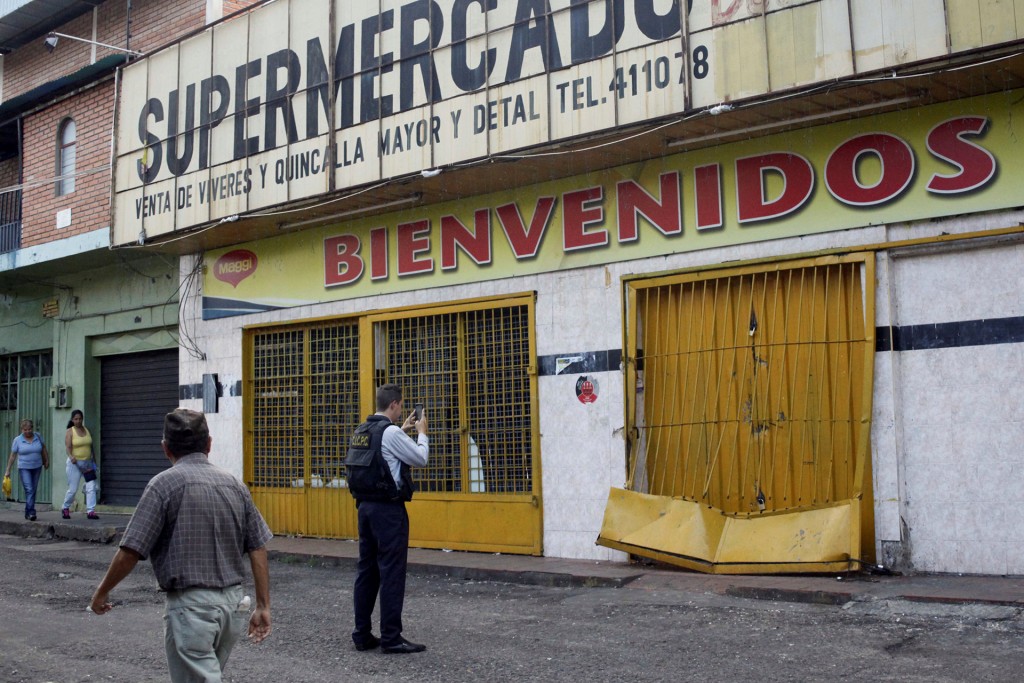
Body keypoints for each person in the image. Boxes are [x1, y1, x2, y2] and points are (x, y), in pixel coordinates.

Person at [89, 408, 273, 682]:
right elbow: (257, 547)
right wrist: (262, 605)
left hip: (192, 608)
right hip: (234, 606)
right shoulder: (235, 485)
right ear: (209, 444)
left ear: (165, 449)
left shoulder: (163, 485)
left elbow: (130, 551)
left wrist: (101, 593)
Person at [347, 383, 429, 654]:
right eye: (401, 405)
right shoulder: (390, 432)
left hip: (365, 508)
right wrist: (421, 433)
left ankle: (361, 634)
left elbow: (381, 454)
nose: (402, 410)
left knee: (367, 571)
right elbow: (420, 459)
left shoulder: (363, 430)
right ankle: (391, 638)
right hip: (388, 512)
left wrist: (401, 430)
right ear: (393, 404)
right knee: (392, 571)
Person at [4, 418, 49, 521]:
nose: (27, 431)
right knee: (29, 489)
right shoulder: (17, 440)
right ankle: (31, 512)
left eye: (29, 429)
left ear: (32, 428)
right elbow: (12, 456)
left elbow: (43, 448)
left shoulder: (38, 436)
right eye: (25, 430)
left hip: (37, 466)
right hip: (24, 468)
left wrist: (46, 460)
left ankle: (28, 511)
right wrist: (8, 470)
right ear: (21, 430)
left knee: (33, 489)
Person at [62, 409, 99, 519]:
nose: (78, 421)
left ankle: (91, 511)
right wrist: (71, 456)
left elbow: (91, 447)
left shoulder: (87, 430)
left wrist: (94, 461)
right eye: (76, 419)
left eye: (80, 419)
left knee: (91, 486)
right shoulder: (70, 431)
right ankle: (65, 507)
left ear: (82, 419)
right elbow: (68, 448)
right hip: (75, 464)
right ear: (72, 420)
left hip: (87, 463)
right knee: (73, 489)